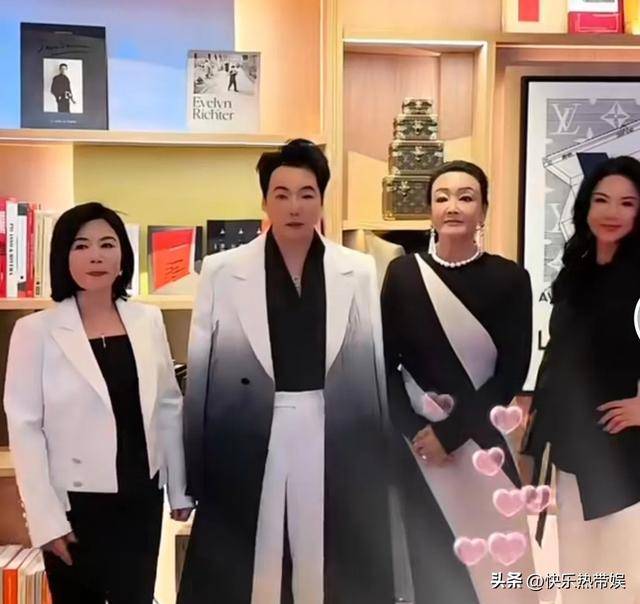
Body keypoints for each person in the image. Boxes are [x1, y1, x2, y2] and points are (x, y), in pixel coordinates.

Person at [178, 139, 394, 604]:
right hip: (250, 424)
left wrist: (377, 459)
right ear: (265, 201)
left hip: (330, 423)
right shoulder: (222, 270)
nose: (294, 206)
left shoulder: (357, 270)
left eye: (306, 194)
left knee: (324, 551)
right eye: (282, 194)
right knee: (256, 549)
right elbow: (201, 376)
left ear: (321, 200)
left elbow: (371, 368)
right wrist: (191, 475)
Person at [4, 202, 193, 604]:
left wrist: (179, 490)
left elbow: (168, 407)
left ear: (123, 256)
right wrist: (45, 520)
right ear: (63, 256)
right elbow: (25, 428)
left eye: (107, 244)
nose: (96, 255)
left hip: (140, 499)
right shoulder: (34, 331)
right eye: (81, 245)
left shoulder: (148, 320)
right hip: (74, 508)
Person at [381, 160, 538, 604]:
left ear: (483, 210)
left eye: (466, 197)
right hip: (420, 450)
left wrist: (450, 434)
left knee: (499, 568)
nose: (453, 206)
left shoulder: (510, 278)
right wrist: (417, 434)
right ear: (430, 210)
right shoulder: (403, 275)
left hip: (483, 442)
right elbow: (384, 364)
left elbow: (511, 372)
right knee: (433, 563)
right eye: (442, 197)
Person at [524, 156, 640, 604]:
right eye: (602, 200)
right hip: (573, 448)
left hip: (626, 455)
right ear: (586, 206)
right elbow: (559, 352)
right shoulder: (577, 271)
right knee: (577, 576)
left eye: (627, 203)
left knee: (623, 577)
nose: (612, 212)